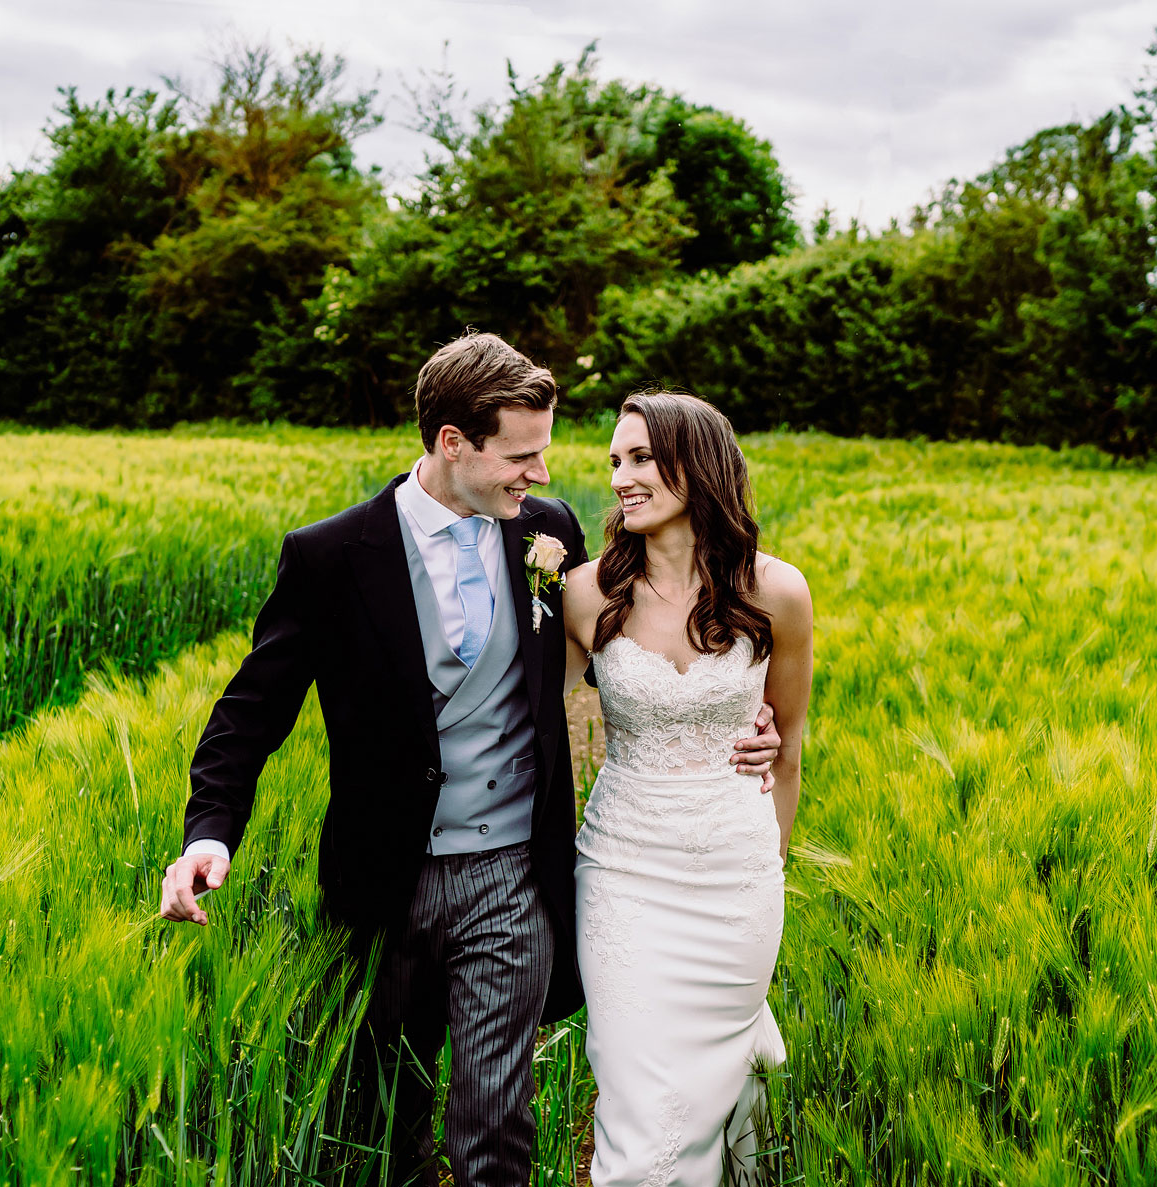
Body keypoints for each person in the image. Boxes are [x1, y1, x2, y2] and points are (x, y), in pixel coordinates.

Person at [158, 335, 782, 1187]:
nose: (540, 474)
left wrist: (739, 722)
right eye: (521, 456)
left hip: (510, 874)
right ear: (453, 442)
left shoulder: (547, 532)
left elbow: (643, 666)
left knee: (494, 1124)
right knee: (382, 1120)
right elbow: (249, 711)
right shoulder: (331, 556)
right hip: (386, 878)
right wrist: (209, 835)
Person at [562, 390, 814, 1185]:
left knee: (709, 1090)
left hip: (735, 882)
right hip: (624, 872)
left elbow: (789, 748)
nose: (621, 478)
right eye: (614, 461)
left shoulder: (778, 592)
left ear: (695, 464)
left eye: (639, 458)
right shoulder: (584, 591)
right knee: (639, 1113)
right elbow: (523, 724)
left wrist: (766, 870)